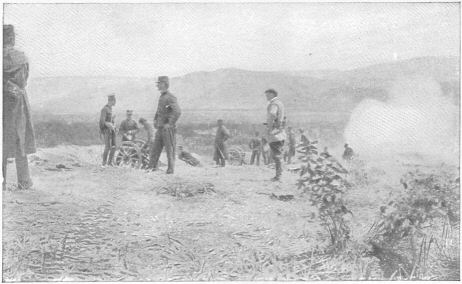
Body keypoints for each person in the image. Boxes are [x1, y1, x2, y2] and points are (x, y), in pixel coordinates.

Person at [3, 25, 36, 190]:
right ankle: (24, 181)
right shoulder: (21, 58)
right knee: (20, 139)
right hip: (18, 103)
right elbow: (25, 79)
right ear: (12, 38)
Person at [147, 76, 181, 174]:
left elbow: (177, 112)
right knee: (155, 149)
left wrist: (170, 124)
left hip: (167, 129)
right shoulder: (162, 96)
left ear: (164, 84)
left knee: (170, 150)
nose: (157, 85)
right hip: (160, 128)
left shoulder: (170, 97)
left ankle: (170, 170)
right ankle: (151, 168)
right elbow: (159, 111)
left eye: (159, 83)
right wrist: (155, 120)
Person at [264, 89, 286, 181]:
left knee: (276, 155)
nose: (266, 97)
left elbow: (272, 114)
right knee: (278, 154)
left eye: (268, 95)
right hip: (280, 132)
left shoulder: (274, 104)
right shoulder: (280, 103)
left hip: (275, 132)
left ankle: (278, 176)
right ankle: (279, 175)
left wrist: (269, 127)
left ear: (272, 94)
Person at [99, 94, 117, 167]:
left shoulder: (110, 109)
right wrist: (108, 124)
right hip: (106, 130)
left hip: (112, 130)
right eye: (114, 101)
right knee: (107, 147)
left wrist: (113, 121)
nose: (115, 102)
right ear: (111, 101)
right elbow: (102, 121)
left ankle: (110, 163)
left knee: (114, 146)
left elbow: (109, 119)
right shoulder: (104, 109)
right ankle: (104, 163)